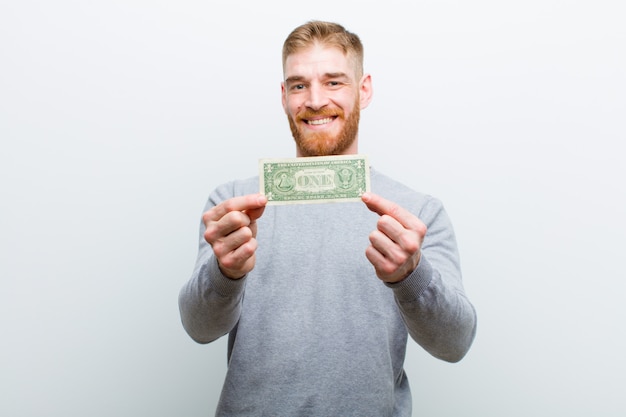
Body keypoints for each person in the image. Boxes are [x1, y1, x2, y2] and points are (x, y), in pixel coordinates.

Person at [179, 20, 477, 417]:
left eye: (334, 82)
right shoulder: (234, 207)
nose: (315, 100)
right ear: (284, 96)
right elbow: (199, 329)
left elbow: (455, 343)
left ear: (364, 89)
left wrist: (412, 275)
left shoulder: (416, 214)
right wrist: (225, 273)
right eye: (299, 85)